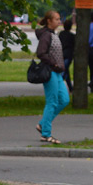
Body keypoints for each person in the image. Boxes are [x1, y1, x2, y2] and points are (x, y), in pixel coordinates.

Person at [34, 10, 70, 144]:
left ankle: (43, 124)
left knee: (64, 100)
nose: (59, 21)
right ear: (49, 21)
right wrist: (54, 63)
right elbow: (41, 53)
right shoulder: (46, 36)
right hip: (50, 72)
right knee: (52, 102)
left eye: (59, 19)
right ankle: (46, 134)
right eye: (56, 19)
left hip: (58, 73)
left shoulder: (53, 34)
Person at [58, 16, 76, 92]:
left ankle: (70, 88)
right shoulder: (72, 36)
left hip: (61, 54)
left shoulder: (60, 34)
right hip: (69, 55)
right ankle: (59, 86)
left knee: (65, 70)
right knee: (64, 71)